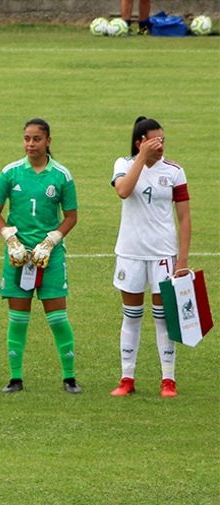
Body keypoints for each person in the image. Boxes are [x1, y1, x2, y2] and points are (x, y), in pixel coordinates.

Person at [0, 118, 80, 394]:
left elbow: (71, 216)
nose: (31, 144)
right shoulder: (10, 172)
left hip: (50, 258)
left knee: (58, 317)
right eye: (27, 138)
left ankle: (70, 377)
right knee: (17, 318)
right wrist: (10, 239)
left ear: (48, 141)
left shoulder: (61, 175)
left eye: (37, 139)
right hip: (19, 258)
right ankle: (15, 378)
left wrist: (52, 241)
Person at [110, 116, 191, 398]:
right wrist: (141, 159)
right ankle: (126, 378)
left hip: (162, 255)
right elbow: (123, 191)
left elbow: (184, 216)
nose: (161, 146)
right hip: (130, 253)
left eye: (163, 140)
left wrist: (182, 260)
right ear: (140, 142)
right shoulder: (123, 165)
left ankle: (168, 380)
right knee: (131, 315)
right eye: (155, 141)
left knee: (162, 317)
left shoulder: (175, 171)